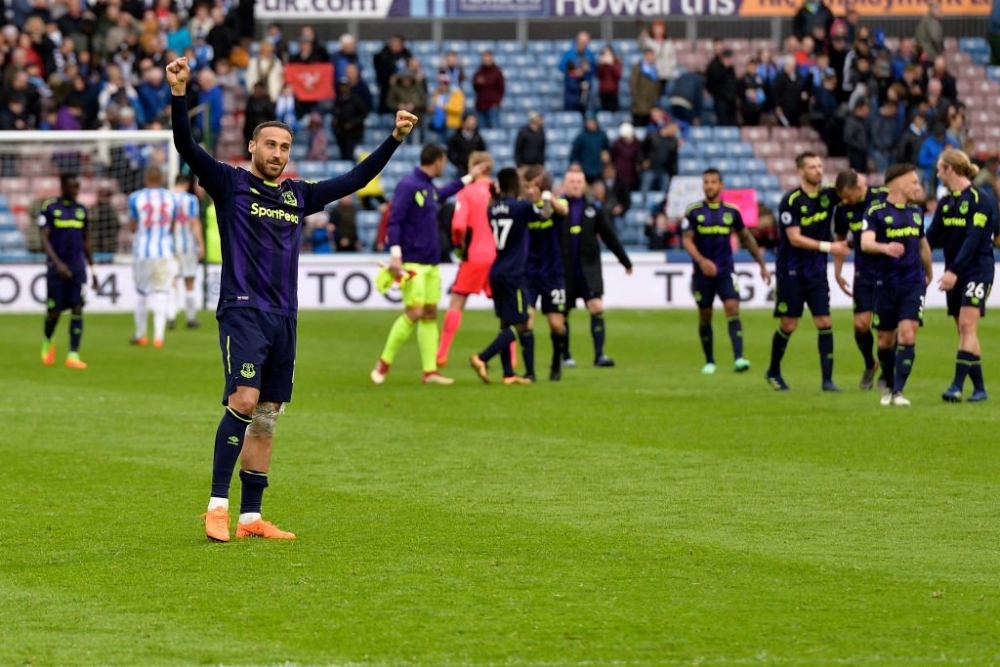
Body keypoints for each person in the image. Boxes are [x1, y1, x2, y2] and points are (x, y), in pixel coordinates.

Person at [166, 55, 413, 542]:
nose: (277, 153)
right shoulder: (229, 182)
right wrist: (179, 94)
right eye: (270, 145)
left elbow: (355, 180)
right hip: (243, 310)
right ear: (252, 146)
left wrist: (395, 139)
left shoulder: (298, 195)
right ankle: (216, 505)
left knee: (267, 416)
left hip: (285, 317)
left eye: (284, 147)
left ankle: (251, 518)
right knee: (243, 398)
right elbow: (186, 145)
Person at [371, 144, 487, 386]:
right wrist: (395, 255)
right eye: (443, 160)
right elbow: (395, 220)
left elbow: (442, 193)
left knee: (430, 314)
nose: (444, 165)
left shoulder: (427, 187)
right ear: (437, 160)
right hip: (412, 262)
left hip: (432, 262)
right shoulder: (408, 185)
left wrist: (469, 177)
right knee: (414, 312)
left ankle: (430, 371)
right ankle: (384, 362)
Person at [767, 152, 850, 391]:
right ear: (801, 172)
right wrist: (830, 246)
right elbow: (794, 239)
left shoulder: (828, 196)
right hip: (791, 270)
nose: (818, 171)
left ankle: (827, 380)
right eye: (812, 167)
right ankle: (773, 371)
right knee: (789, 324)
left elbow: (850, 190)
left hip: (816, 270)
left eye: (820, 166)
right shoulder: (791, 201)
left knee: (824, 322)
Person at [681, 169, 771, 375]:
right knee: (705, 314)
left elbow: (746, 238)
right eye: (706, 182)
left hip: (725, 271)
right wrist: (702, 261)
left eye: (713, 182)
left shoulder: (731, 212)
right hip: (702, 273)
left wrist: (762, 265)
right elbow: (686, 240)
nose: (709, 186)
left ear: (720, 185)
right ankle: (710, 361)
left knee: (732, 307)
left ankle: (739, 358)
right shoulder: (694, 212)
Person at [927, 149, 999, 403]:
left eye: (939, 168)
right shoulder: (946, 203)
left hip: (977, 270)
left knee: (968, 326)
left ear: (951, 169)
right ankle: (979, 389)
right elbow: (930, 238)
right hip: (955, 272)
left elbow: (973, 240)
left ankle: (956, 386)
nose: (936, 173)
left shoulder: (982, 199)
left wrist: (953, 271)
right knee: (964, 331)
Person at [470, 168, 554, 385]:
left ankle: (508, 374)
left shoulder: (491, 210)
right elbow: (545, 214)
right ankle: (482, 357)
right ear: (515, 184)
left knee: (505, 323)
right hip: (514, 272)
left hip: (497, 270)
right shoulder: (521, 207)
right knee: (522, 322)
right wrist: (545, 194)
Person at [858, 163, 932, 407]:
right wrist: (885, 247)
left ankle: (898, 391)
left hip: (912, 283)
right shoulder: (876, 210)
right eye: (913, 182)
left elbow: (923, 244)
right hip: (885, 284)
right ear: (899, 183)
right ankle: (888, 385)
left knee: (908, 334)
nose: (917, 187)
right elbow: (866, 243)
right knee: (885, 341)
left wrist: (929, 272)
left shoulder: (916, 212)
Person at [559, 168, 633, 368]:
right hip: (563, 270)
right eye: (572, 181)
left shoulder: (593, 208)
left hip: (588, 269)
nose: (575, 185)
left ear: (584, 185)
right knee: (563, 313)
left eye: (578, 182)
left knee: (596, 307)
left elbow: (609, 236)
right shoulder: (557, 208)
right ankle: (565, 355)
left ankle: (599, 355)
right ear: (565, 185)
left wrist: (624, 261)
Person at [437, 151, 496, 368]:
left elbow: (458, 225)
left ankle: (442, 353)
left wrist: (459, 244)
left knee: (457, 302)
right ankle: (512, 357)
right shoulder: (498, 190)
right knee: (505, 306)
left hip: (474, 255)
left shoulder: (467, 192)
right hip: (498, 256)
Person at [832, 170, 888, 390]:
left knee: (886, 328)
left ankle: (887, 372)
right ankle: (869, 364)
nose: (845, 201)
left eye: (847, 195)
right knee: (860, 324)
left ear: (858, 186)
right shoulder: (842, 210)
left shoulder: (883, 197)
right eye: (842, 197)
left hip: (888, 270)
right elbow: (840, 243)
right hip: (863, 272)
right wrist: (837, 272)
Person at [39, 173, 98, 370]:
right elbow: (44, 238)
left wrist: (93, 270)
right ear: (63, 187)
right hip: (57, 268)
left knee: (77, 308)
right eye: (73, 187)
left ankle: (73, 354)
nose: (76, 191)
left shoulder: (81, 211)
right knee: (54, 312)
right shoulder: (50, 208)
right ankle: (48, 340)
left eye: (77, 187)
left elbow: (86, 241)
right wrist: (58, 264)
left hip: (77, 268)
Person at [522, 166, 571, 381]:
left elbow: (563, 211)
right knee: (527, 322)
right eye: (527, 186)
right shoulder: (524, 208)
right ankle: (530, 371)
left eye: (534, 186)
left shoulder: (557, 203)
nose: (530, 190)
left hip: (553, 273)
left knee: (556, 325)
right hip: (529, 274)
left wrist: (549, 198)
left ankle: (556, 362)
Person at [129, 165, 177, 349]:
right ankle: (159, 337)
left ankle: (141, 335)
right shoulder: (171, 198)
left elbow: (133, 227)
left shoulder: (135, 198)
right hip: (164, 252)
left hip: (143, 253)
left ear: (146, 179)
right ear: (161, 179)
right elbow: (172, 226)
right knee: (161, 294)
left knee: (142, 294)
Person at [172, 173, 204, 329]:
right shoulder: (191, 200)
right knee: (189, 282)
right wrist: (201, 245)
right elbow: (195, 223)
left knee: (172, 281)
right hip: (188, 246)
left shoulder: (167, 198)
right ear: (185, 183)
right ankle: (190, 319)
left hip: (169, 246)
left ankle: (170, 316)